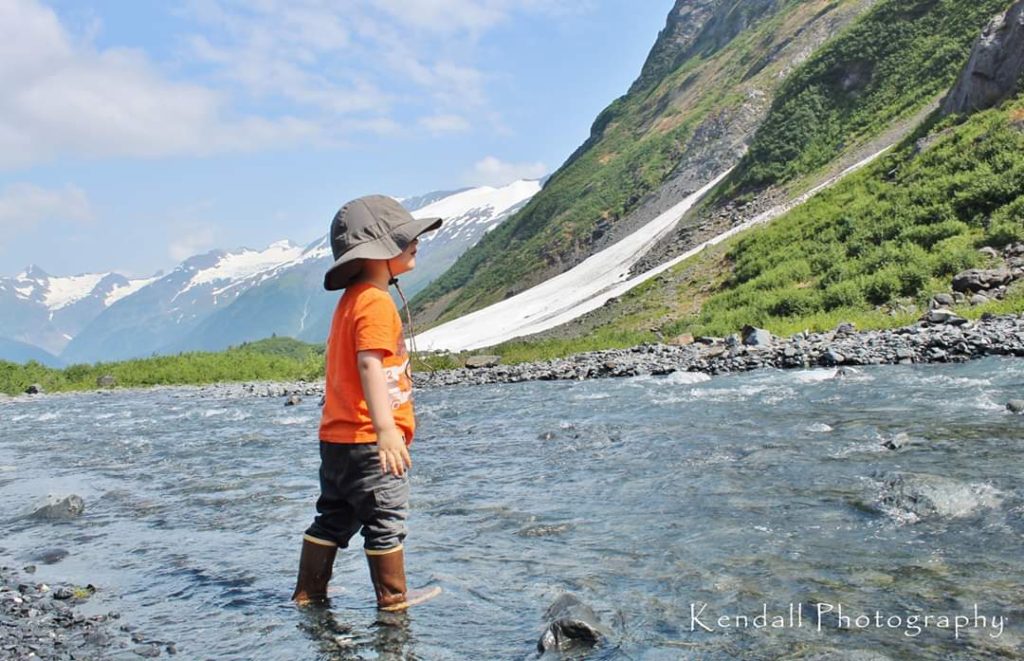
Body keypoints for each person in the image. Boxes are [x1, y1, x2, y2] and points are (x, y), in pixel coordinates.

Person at [292, 194, 442, 610]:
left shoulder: (351, 300)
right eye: (406, 239)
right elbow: (369, 365)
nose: (416, 244)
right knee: (386, 519)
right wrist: (387, 430)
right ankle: (393, 599)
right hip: (369, 441)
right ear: (379, 251)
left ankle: (309, 592)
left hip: (337, 440)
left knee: (335, 516)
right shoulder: (376, 302)